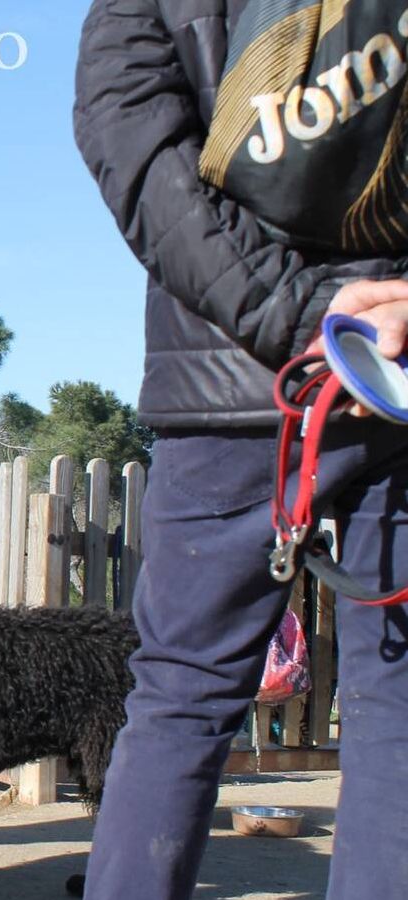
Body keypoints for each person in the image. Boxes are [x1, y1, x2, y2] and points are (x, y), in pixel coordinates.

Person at [73, 2, 408, 897]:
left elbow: (134, 153)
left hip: (229, 378)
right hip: (400, 364)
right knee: (400, 707)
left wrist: (299, 318)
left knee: (180, 697)